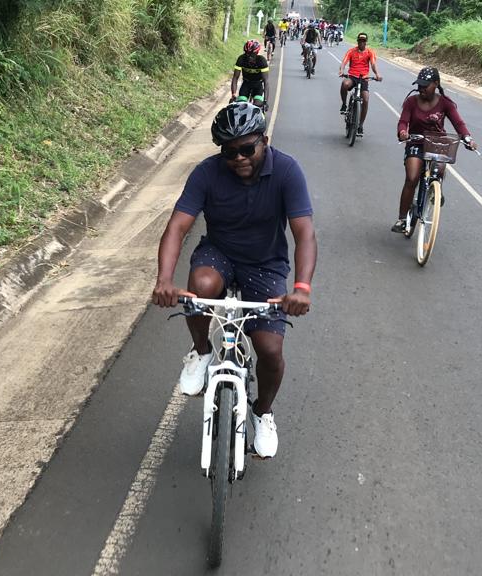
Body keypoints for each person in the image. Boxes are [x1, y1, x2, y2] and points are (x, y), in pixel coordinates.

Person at [152, 102, 317, 458]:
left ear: (265, 141)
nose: (239, 157)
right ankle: (201, 352)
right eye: (229, 152)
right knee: (202, 288)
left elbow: (305, 234)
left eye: (247, 148)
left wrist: (301, 288)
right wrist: (164, 279)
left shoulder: (287, 170)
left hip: (266, 264)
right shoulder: (206, 173)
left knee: (270, 350)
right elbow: (177, 226)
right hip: (219, 253)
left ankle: (263, 412)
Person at [393, 66, 478, 233]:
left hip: (437, 143)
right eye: (420, 85)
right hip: (416, 142)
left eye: (426, 85)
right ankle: (402, 219)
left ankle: (435, 189)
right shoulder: (411, 102)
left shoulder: (445, 103)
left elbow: (459, 124)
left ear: (436, 84)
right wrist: (403, 132)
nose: (421, 88)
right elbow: (403, 121)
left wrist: (468, 139)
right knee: (412, 178)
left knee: (438, 171)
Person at [337, 32, 382, 137]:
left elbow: (373, 64)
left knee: (365, 99)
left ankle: (360, 125)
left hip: (364, 78)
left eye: (364, 41)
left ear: (366, 42)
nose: (362, 43)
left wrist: (377, 74)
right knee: (344, 84)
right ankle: (344, 104)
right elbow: (344, 62)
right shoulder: (351, 51)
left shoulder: (370, 52)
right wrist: (341, 70)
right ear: (357, 41)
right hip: (352, 76)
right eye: (360, 41)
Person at [231, 40, 269, 109]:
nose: (249, 57)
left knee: (258, 106)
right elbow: (235, 78)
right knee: (240, 106)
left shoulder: (262, 61)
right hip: (246, 84)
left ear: (256, 53)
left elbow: (266, 81)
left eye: (252, 55)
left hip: (258, 85)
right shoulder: (241, 59)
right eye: (247, 54)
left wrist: (265, 101)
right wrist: (233, 94)